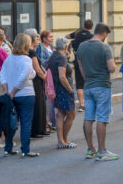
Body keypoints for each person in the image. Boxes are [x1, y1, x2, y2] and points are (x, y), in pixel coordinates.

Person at [77, 23, 118, 161]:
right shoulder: (105, 47)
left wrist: (87, 79)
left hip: (87, 86)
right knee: (102, 118)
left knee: (88, 118)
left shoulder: (82, 46)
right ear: (104, 33)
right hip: (102, 85)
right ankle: (102, 151)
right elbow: (112, 68)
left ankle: (90, 149)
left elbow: (81, 67)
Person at [0, 33, 39, 157]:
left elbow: (2, 75)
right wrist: (13, 92)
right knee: (26, 123)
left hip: (12, 96)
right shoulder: (26, 59)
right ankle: (25, 150)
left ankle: (8, 148)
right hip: (25, 94)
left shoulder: (9, 58)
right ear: (26, 45)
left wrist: (8, 91)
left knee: (11, 122)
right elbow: (24, 78)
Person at [48, 37, 77, 149]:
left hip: (57, 89)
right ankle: (64, 140)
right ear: (65, 46)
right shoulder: (61, 58)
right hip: (64, 89)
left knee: (60, 114)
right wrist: (70, 89)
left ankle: (61, 141)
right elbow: (62, 77)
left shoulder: (53, 56)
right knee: (71, 114)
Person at [24, 29, 48, 139]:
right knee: (38, 105)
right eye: (37, 37)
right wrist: (46, 78)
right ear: (32, 39)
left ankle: (42, 129)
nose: (39, 39)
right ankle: (36, 130)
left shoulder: (31, 50)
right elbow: (37, 69)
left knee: (41, 104)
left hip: (37, 80)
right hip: (36, 81)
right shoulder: (31, 51)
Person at [66, 19, 94, 112]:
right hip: (89, 62)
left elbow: (66, 37)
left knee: (79, 84)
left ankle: (82, 105)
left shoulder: (77, 33)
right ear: (91, 27)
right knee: (90, 82)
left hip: (78, 61)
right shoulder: (92, 36)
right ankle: (90, 103)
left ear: (84, 25)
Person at [36, 29, 55, 132]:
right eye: (50, 37)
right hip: (45, 77)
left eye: (52, 37)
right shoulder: (40, 48)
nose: (52, 39)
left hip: (52, 77)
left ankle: (51, 123)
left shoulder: (51, 47)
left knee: (51, 100)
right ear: (44, 39)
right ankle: (46, 124)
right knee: (46, 100)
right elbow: (41, 63)